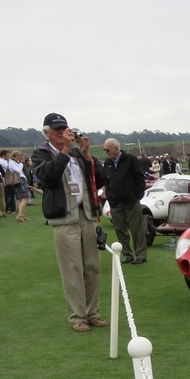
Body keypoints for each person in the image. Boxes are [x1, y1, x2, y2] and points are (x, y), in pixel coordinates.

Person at [32, 113, 110, 332]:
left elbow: (101, 178)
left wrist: (86, 155)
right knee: (72, 268)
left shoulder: (77, 154)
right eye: (57, 130)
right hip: (64, 218)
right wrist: (65, 150)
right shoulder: (41, 154)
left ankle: (92, 312)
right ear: (46, 132)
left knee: (92, 267)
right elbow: (48, 177)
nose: (61, 133)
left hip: (85, 214)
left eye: (64, 129)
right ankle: (78, 316)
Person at [102, 138, 148, 265]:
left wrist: (137, 195)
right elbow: (107, 181)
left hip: (131, 201)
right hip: (116, 202)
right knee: (120, 230)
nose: (106, 152)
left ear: (116, 149)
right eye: (104, 149)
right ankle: (127, 255)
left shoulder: (130, 160)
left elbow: (140, 178)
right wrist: (110, 195)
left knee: (136, 229)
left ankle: (141, 255)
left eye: (108, 150)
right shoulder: (107, 162)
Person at [9, 151, 32, 222]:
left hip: (21, 180)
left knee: (21, 199)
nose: (21, 157)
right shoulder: (12, 162)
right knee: (25, 198)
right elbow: (18, 170)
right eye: (20, 156)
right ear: (16, 156)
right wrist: (21, 163)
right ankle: (19, 216)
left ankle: (22, 215)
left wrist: (20, 163)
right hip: (19, 181)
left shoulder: (16, 163)